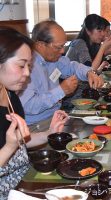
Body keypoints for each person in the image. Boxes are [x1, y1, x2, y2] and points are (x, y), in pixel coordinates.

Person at [0, 27, 68, 199]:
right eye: (21, 65)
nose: (27, 73)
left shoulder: (10, 95)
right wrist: (9, 147)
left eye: (29, 66)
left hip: (24, 182)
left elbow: (20, 141)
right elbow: (12, 145)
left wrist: (49, 134)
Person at [19, 20, 104, 128]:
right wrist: (61, 90)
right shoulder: (28, 67)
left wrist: (89, 72)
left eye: (64, 45)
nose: (63, 51)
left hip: (56, 117)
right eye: (58, 47)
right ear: (40, 45)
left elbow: (72, 66)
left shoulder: (54, 59)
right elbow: (28, 106)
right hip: (36, 126)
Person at [64, 14, 111, 110]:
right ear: (88, 31)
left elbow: (90, 73)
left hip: (84, 91)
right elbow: (89, 70)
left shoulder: (93, 44)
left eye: (103, 30)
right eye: (99, 31)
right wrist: (103, 48)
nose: (103, 34)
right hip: (73, 98)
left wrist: (99, 69)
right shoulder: (79, 44)